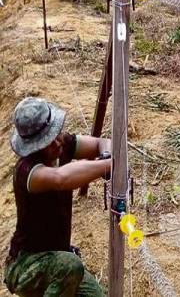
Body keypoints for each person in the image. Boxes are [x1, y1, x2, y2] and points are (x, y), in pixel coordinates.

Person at [3, 97, 112, 296]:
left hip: (57, 259)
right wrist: (108, 166)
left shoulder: (62, 144)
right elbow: (61, 178)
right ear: (33, 146)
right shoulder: (27, 171)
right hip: (26, 265)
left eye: (55, 133)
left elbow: (102, 142)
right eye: (47, 140)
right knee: (71, 265)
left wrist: (107, 156)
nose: (56, 142)